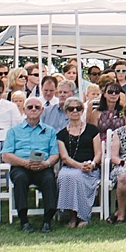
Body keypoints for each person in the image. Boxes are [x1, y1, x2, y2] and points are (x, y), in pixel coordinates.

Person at [1, 97, 61, 233]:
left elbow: (55, 154)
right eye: (30, 107)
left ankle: (47, 220)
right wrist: (25, 163)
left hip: (43, 166)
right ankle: (24, 220)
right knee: (20, 179)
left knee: (49, 179)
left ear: (42, 110)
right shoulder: (14, 131)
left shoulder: (50, 131)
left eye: (37, 107)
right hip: (21, 166)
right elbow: (6, 155)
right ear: (24, 110)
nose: (33, 109)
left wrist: (46, 164)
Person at [53, 97, 103, 228]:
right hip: (70, 166)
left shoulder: (92, 130)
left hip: (90, 167)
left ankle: (82, 215)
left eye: (78, 108)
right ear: (66, 112)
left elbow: (98, 153)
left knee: (77, 177)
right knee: (65, 176)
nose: (75, 111)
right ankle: (71, 216)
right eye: (71, 109)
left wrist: (92, 164)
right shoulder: (61, 134)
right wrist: (79, 166)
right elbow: (64, 157)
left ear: (82, 111)